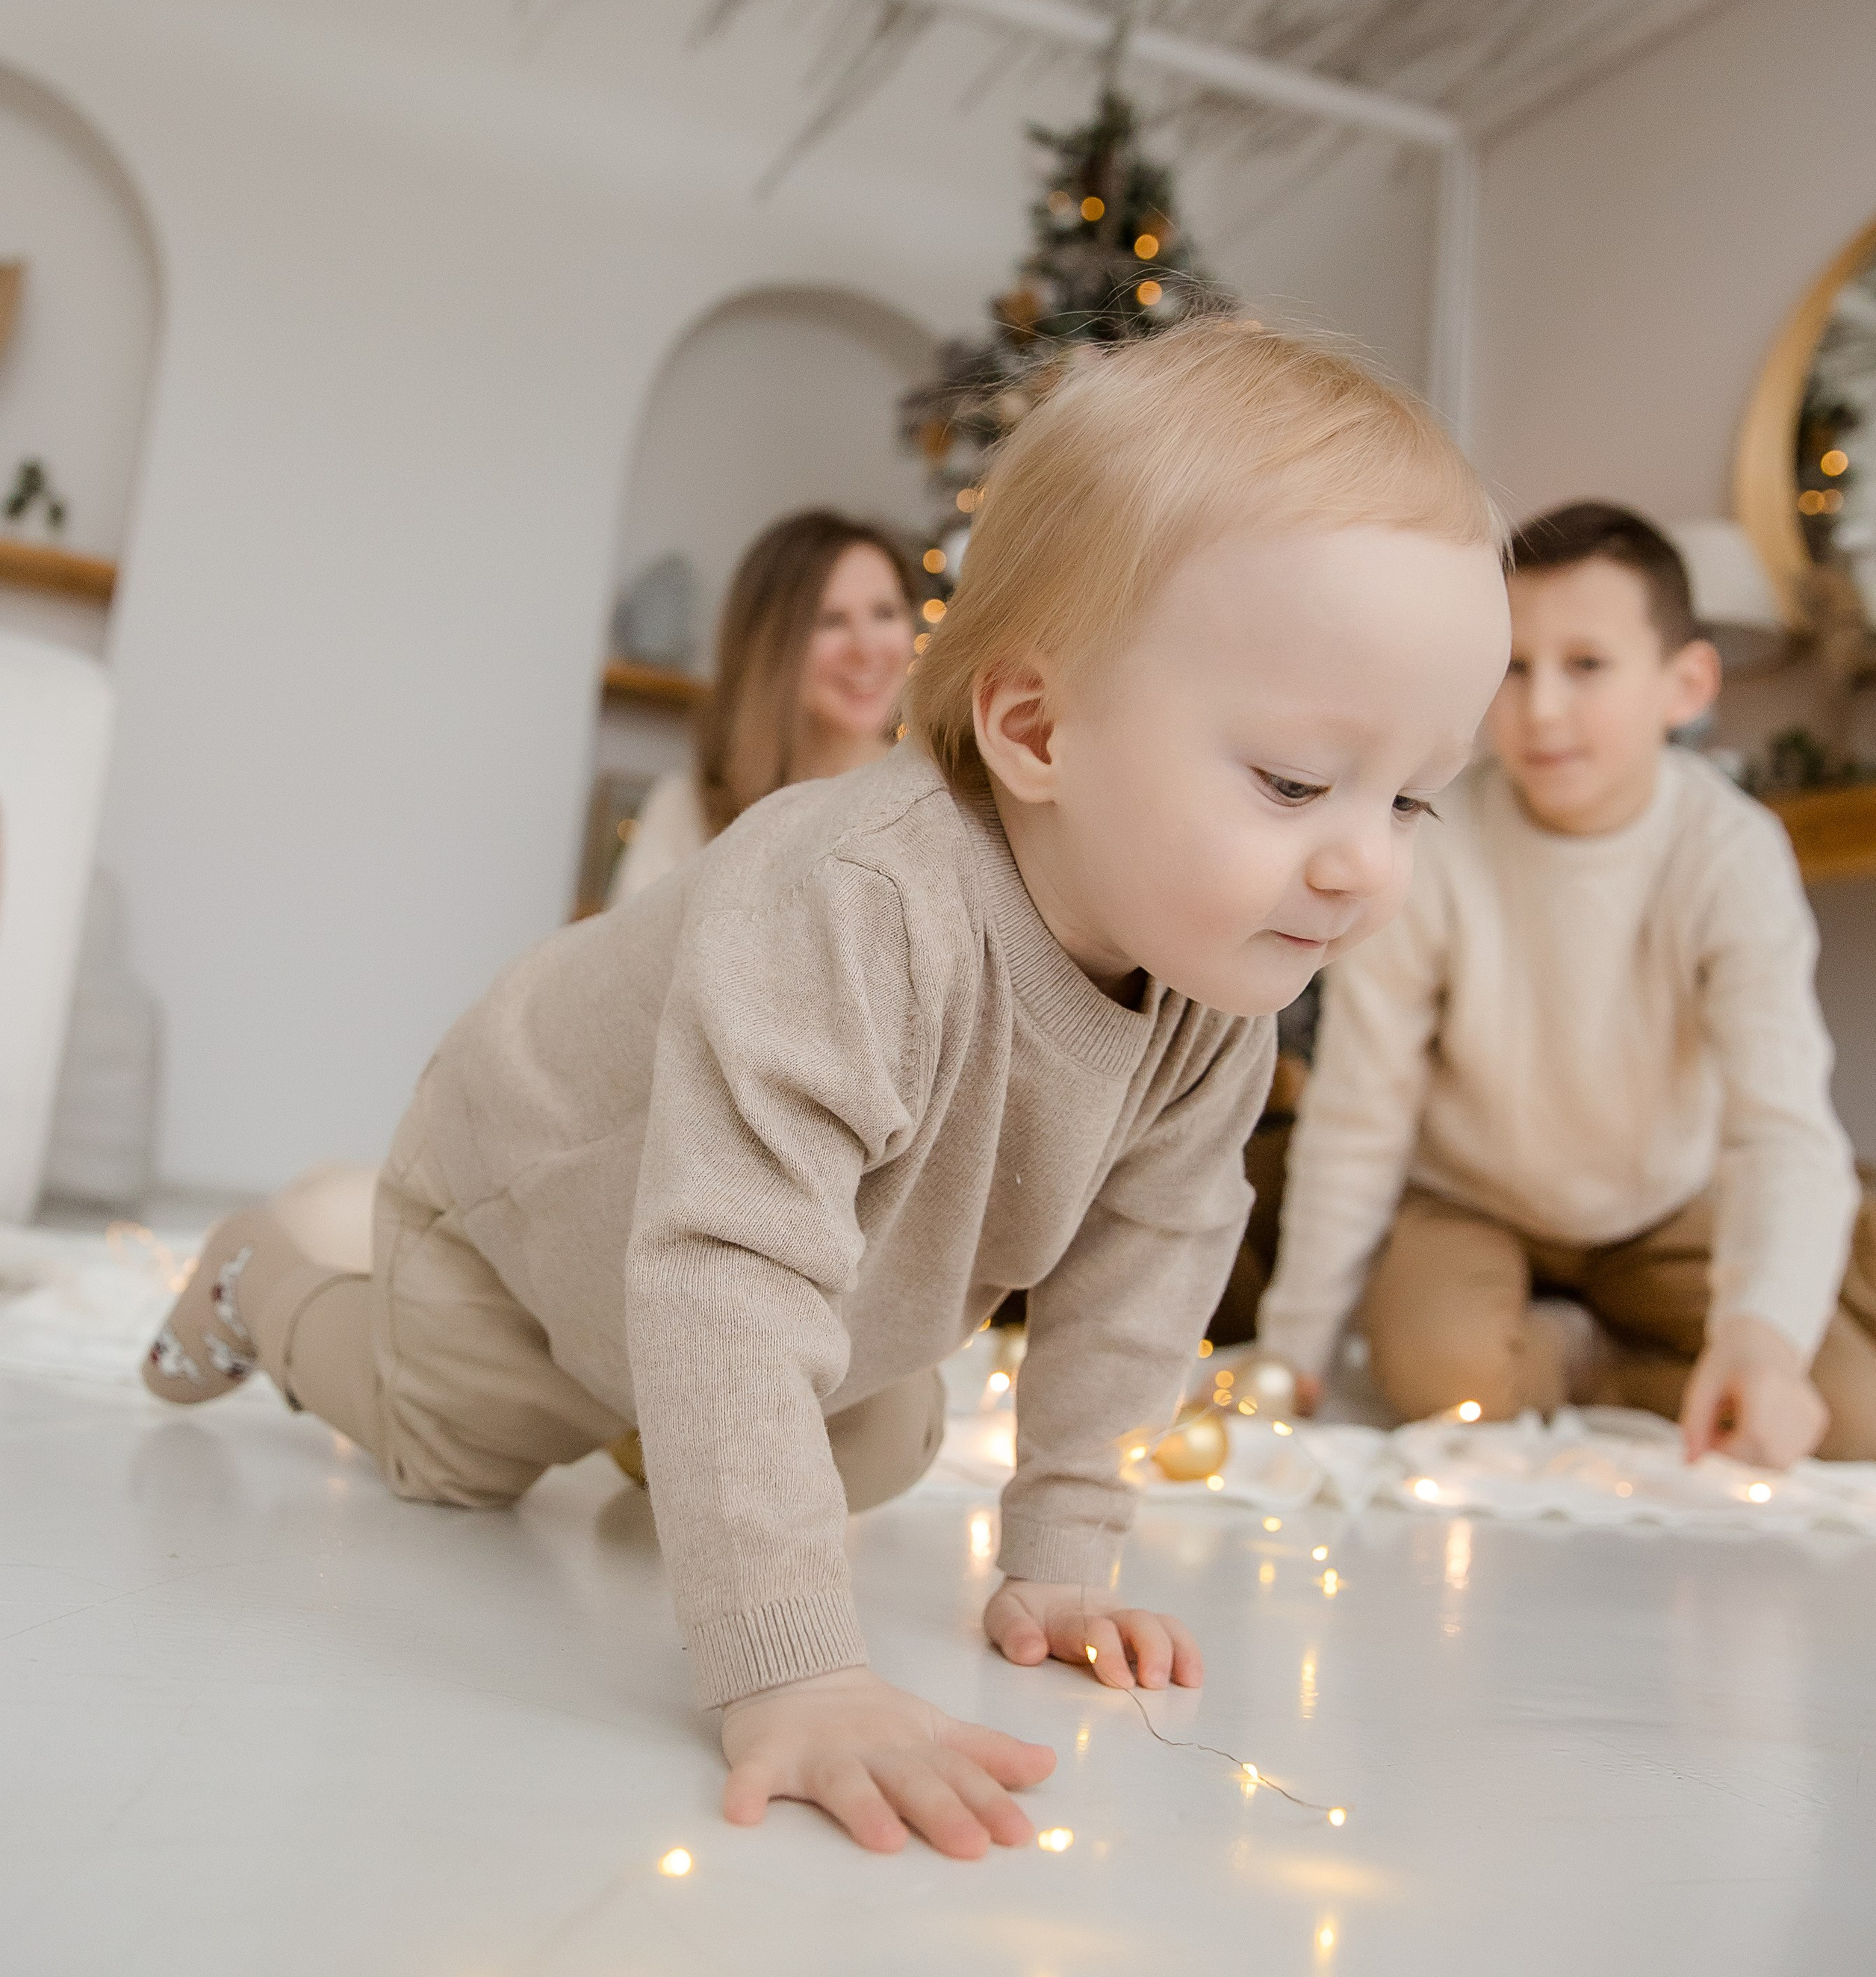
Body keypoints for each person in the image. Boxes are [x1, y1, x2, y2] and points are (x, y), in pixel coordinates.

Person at [140, 324, 1508, 1858]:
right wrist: (791, 1667)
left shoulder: (1211, 997)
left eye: (1410, 799)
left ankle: (681, 1434)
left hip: (781, 1284)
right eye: (1291, 782)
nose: (1362, 864)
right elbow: (725, 1266)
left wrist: (1060, 1550)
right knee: (453, 1450)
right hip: (535, 1216)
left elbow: (1148, 1265)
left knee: (871, 1447)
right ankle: (271, 1275)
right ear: (1036, 729)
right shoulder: (859, 897)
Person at [1256, 501, 1876, 1468]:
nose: (1542, 708)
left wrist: (1758, 1342)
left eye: (1587, 666)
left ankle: (1590, 1358)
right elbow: (1361, 1105)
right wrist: (1292, 1348)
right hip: (1469, 1199)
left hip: (1662, 1207)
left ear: (1685, 684)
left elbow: (1783, 1123)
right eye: (1515, 667)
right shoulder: (1433, 844)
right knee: (1441, 1381)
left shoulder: (1731, 850)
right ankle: (1577, 1354)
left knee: (1852, 1415)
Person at [609, 512, 916, 904]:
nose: (865, 649)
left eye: (885, 614)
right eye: (830, 620)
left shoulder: (933, 803)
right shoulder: (685, 811)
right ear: (769, 644)